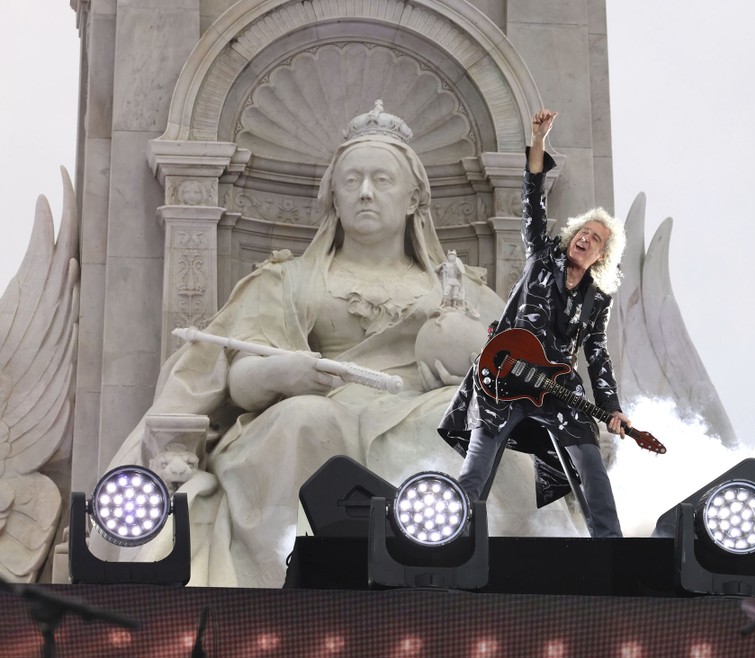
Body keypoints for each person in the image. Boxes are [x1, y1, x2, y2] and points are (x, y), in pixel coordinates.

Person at [93, 104, 582, 587]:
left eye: (381, 180)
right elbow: (237, 377)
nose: (365, 192)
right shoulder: (288, 279)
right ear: (335, 196)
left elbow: (530, 372)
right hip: (321, 406)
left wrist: (476, 378)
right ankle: (289, 584)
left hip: (424, 409)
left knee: (478, 432)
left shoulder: (455, 285)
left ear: (413, 198)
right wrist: (282, 373)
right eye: (351, 181)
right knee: (305, 420)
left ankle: (507, 585)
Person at [439, 109, 631, 538]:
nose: (585, 237)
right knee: (480, 458)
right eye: (583, 231)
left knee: (590, 460)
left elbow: (597, 354)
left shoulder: (598, 298)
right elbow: (532, 199)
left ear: (602, 255)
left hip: (557, 384)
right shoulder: (542, 257)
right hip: (507, 370)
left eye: (595, 238)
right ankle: (455, 536)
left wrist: (612, 407)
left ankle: (611, 546)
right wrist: (538, 140)